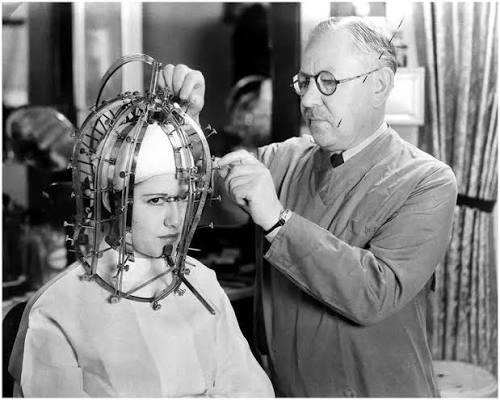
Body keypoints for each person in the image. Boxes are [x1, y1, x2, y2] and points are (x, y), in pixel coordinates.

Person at [165, 17, 458, 397]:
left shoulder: (427, 181)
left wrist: (278, 221)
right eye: (304, 82)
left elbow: (375, 293)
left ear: (379, 84)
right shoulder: (283, 160)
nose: (307, 100)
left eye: (328, 82)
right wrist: (185, 122)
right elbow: (206, 201)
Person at [8, 121, 275, 397]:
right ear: (112, 201)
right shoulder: (59, 306)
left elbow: (250, 388)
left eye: (182, 198)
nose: (175, 220)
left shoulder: (203, 283)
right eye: (156, 200)